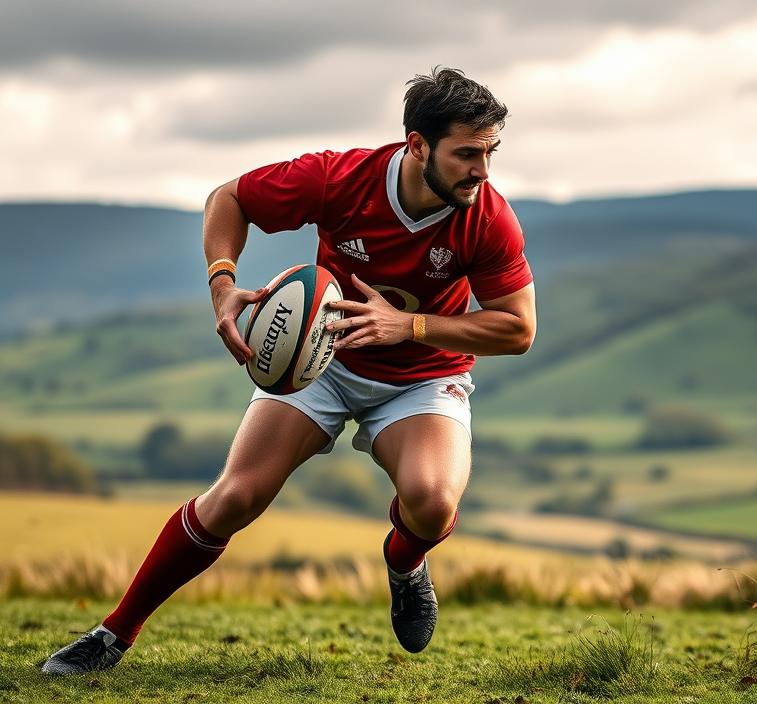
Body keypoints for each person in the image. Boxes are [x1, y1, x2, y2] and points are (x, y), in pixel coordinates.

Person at [42, 66, 536, 674]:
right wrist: (221, 285)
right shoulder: (339, 178)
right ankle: (112, 635)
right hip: (320, 362)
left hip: (423, 377)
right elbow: (230, 197)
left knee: (432, 502)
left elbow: (517, 328)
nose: (482, 171)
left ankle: (405, 564)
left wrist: (409, 326)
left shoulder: (487, 217)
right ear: (416, 145)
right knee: (235, 497)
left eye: (490, 153)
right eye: (467, 154)